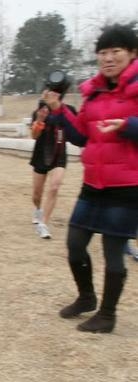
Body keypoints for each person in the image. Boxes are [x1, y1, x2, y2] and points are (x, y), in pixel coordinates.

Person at [49, 24, 138, 333]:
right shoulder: (94, 93)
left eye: (116, 51)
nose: (108, 58)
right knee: (75, 243)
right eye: (103, 52)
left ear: (132, 54)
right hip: (94, 183)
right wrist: (60, 112)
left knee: (113, 252)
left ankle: (108, 315)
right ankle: (86, 297)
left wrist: (128, 126)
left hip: (127, 186)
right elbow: (82, 136)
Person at [29, 99, 77, 239]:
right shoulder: (40, 110)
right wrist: (39, 120)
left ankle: (43, 224)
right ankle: (38, 210)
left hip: (59, 154)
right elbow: (34, 136)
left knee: (55, 186)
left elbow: (77, 129)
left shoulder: (68, 110)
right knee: (37, 194)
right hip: (41, 154)